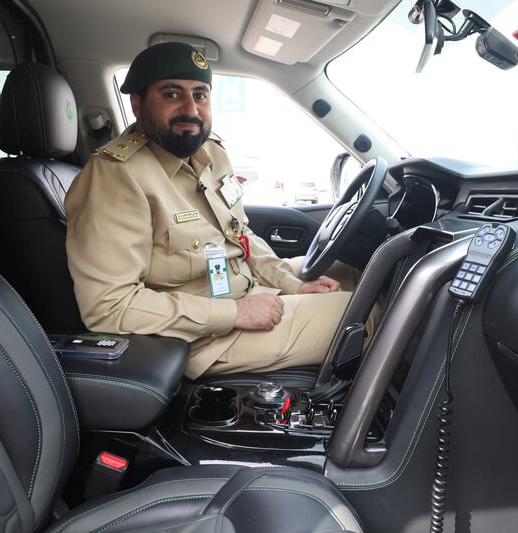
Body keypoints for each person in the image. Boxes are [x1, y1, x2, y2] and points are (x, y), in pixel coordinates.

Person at [65, 42, 356, 380]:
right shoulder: (115, 178)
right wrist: (234, 313)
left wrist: (292, 284)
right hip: (204, 339)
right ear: (137, 104)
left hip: (244, 291)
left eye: (200, 95)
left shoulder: (210, 154)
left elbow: (240, 234)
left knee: (356, 272)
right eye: (172, 95)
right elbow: (108, 308)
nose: (191, 109)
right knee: (375, 312)